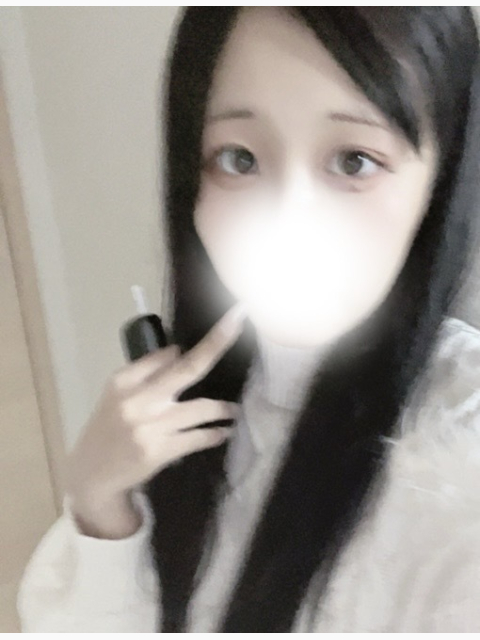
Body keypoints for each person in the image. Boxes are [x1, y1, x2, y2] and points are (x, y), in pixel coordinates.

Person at [17, 7, 480, 632]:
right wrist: (101, 506)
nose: (288, 219)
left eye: (353, 161)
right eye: (238, 159)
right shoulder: (187, 406)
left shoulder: (459, 448)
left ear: (439, 184)